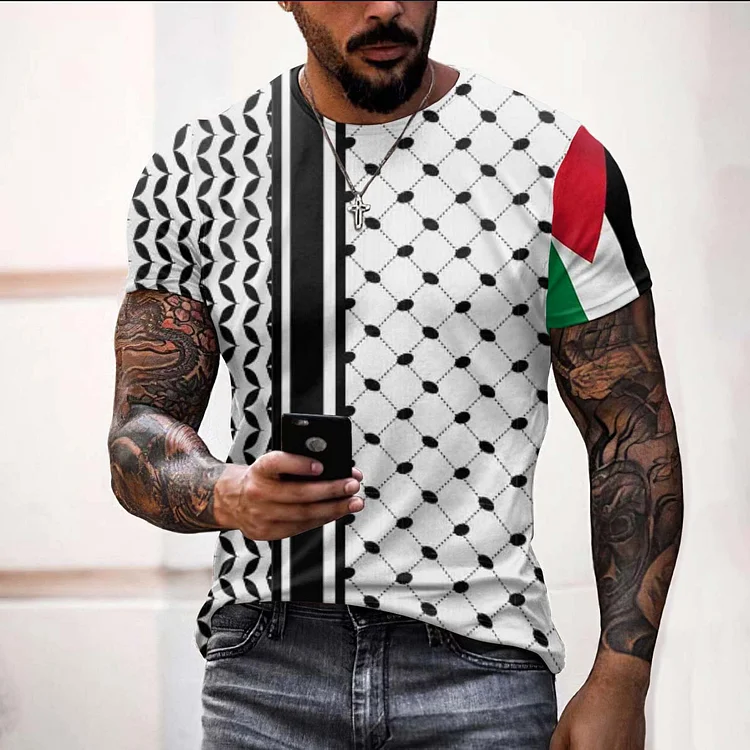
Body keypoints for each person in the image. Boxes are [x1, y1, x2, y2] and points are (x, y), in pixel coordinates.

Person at [108, 2, 684, 748]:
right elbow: (140, 433)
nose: (385, 6)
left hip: (482, 670)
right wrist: (229, 493)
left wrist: (623, 678)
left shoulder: (553, 161)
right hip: (268, 673)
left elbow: (630, 430)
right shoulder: (199, 173)